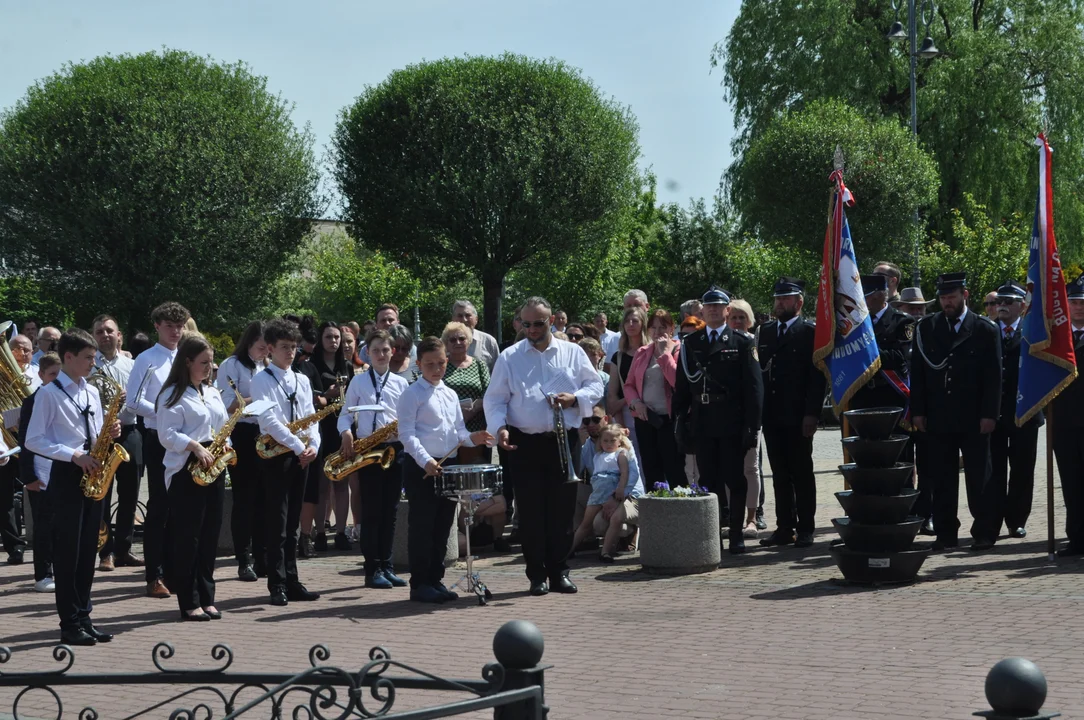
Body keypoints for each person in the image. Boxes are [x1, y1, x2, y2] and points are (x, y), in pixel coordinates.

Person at [484, 296, 605, 596]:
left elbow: (596, 386)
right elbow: (495, 399)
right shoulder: (510, 356)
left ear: (551, 321)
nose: (532, 329)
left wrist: (575, 399)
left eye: (539, 323)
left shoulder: (572, 352)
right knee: (531, 510)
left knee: (562, 511)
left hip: (562, 440)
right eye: (526, 324)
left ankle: (559, 571)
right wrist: (499, 428)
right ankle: (536, 573)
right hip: (524, 442)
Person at [25, 328, 121, 646]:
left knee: (87, 553)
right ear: (69, 357)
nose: (93, 364)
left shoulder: (90, 391)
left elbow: (94, 432)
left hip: (93, 473)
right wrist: (73, 455)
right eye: (88, 358)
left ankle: (85, 616)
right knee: (68, 552)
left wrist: (110, 433)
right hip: (66, 477)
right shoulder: (48, 394)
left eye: (94, 357)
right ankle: (69, 623)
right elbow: (34, 439)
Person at [910, 272, 1002, 551]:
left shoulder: (985, 329)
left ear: (965, 295)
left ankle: (984, 531)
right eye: (942, 298)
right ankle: (946, 532)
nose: (946, 302)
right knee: (942, 477)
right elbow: (919, 373)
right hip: (939, 415)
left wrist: (990, 414)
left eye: (951, 297)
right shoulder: (927, 328)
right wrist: (918, 411)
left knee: (979, 477)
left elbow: (994, 376)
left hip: (974, 416)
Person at [397, 336, 492, 604]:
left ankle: (435, 579)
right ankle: (419, 583)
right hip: (422, 467)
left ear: (446, 362)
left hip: (446, 466)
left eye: (440, 363)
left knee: (442, 525)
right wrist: (425, 459)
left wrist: (476, 438)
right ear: (419, 364)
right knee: (423, 526)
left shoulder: (450, 394)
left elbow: (458, 434)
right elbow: (407, 434)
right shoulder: (411, 394)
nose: (436, 369)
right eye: (430, 365)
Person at [673, 287, 763, 554]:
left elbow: (754, 389)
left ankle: (736, 534)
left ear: (727, 310)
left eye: (718, 306)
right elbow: (682, 386)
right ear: (702, 311)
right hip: (703, 421)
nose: (713, 309)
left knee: (735, 479)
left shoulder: (742, 342)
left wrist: (752, 426)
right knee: (708, 480)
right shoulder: (691, 343)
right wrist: (679, 420)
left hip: (732, 422)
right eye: (708, 306)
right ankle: (712, 535)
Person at [157, 334, 230, 621]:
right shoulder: (172, 393)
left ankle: (208, 597)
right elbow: (167, 434)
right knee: (189, 538)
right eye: (204, 362)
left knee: (210, 534)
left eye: (212, 362)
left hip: (213, 464)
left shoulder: (211, 391)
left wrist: (226, 445)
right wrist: (196, 446)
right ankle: (189, 600)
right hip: (187, 467)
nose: (210, 368)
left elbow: (223, 424)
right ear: (187, 362)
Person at [250, 318, 322, 606]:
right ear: (270, 349)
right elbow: (268, 421)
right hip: (277, 455)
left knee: (293, 523)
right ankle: (276, 584)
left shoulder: (302, 379)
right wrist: (296, 446)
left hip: (300, 456)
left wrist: (313, 445)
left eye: (293, 347)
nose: (290, 352)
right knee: (277, 523)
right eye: (284, 347)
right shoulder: (261, 380)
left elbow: (310, 417)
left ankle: (292, 580)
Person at [126, 301, 190, 598]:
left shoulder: (187, 357)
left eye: (179, 326)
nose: (175, 331)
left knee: (181, 507)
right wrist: (164, 413)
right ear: (157, 327)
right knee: (159, 507)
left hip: (185, 440)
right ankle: (154, 575)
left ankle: (177, 570)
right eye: (169, 326)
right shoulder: (147, 359)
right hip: (157, 438)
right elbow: (133, 402)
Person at [338, 329, 409, 589]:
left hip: (394, 448)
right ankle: (372, 569)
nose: (381, 354)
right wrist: (346, 432)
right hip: (369, 450)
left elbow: (407, 417)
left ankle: (387, 565)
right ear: (367, 352)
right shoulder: (358, 382)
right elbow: (346, 414)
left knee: (389, 512)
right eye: (376, 350)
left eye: (385, 350)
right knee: (371, 513)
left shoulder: (402, 383)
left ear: (393, 352)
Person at [757, 278, 825, 549]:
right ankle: (785, 527)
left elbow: (816, 378)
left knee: (801, 472)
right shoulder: (766, 332)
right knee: (780, 473)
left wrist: (812, 413)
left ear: (799, 302)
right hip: (773, 414)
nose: (779, 303)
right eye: (777, 299)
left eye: (785, 299)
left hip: (798, 415)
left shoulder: (810, 332)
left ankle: (806, 527)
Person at [215, 320, 270, 581]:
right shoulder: (231, 365)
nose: (265, 352)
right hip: (242, 434)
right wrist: (257, 400)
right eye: (261, 347)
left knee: (264, 500)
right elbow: (225, 404)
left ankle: (262, 557)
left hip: (265, 434)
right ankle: (243, 559)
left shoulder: (266, 365)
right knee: (244, 500)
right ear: (249, 342)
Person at [91, 314, 144, 572]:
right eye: (100, 332)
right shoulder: (89, 366)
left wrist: (130, 398)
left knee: (130, 493)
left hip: (129, 431)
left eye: (109, 330)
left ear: (119, 335)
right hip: (99, 436)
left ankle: (124, 549)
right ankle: (105, 552)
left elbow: (144, 396)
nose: (105, 335)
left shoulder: (130, 365)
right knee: (101, 495)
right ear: (94, 337)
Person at [990, 280, 1041, 540]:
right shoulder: (987, 331)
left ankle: (1017, 520)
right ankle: (992, 522)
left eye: (1008, 301)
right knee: (994, 471)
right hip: (993, 413)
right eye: (999, 301)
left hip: (1025, 411)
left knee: (1022, 470)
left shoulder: (1033, 332)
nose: (1002, 306)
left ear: (1023, 306)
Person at [304, 321, 352, 553]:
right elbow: (311, 400)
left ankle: (341, 532)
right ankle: (320, 532)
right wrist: (327, 394)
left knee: (341, 481)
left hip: (342, 428)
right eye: (328, 338)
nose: (333, 342)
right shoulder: (311, 367)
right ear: (320, 341)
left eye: (336, 338)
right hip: (320, 428)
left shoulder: (348, 367)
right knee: (323, 483)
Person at [623, 309, 684, 488]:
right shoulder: (642, 352)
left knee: (674, 470)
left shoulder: (679, 350)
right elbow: (629, 385)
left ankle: (678, 511)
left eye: (662, 327)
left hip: (670, 420)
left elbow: (678, 383)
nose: (657, 332)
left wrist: (665, 354)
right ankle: (654, 512)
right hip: (645, 418)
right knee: (651, 469)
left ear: (672, 328)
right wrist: (635, 403)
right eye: (653, 327)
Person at [16, 353, 62, 591]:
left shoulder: (66, 398)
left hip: (64, 470)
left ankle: (61, 569)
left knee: (62, 524)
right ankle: (43, 574)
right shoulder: (32, 401)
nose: (56, 379)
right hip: (41, 471)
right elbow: (24, 442)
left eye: (60, 374)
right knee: (44, 524)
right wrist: (29, 477)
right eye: (52, 374)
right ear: (41, 375)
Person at [571, 422, 642, 562]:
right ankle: (568, 550)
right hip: (598, 494)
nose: (609, 444)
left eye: (613, 441)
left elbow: (626, 474)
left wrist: (618, 493)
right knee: (586, 523)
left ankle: (606, 552)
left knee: (615, 519)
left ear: (619, 441)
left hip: (617, 494)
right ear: (600, 442)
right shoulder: (597, 455)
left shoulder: (622, 453)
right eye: (605, 441)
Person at [1051, 274, 1084, 557]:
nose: (1079, 307)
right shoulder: (1057, 341)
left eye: (1083, 302)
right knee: (1071, 483)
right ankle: (1076, 538)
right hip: (1063, 423)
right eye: (1073, 302)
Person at [726, 299, 764, 537]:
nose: (738, 322)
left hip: (749, 415)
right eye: (734, 317)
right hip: (726, 416)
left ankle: (752, 518)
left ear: (749, 320)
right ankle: (734, 518)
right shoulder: (722, 343)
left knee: (751, 467)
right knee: (730, 469)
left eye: (742, 317)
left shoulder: (753, 343)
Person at [442, 322, 491, 464]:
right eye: (452, 340)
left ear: (468, 341)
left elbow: (489, 394)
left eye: (462, 338)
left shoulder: (479, 365)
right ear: (446, 343)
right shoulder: (441, 365)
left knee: (472, 477)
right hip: (448, 429)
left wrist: (473, 409)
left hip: (475, 428)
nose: (458, 342)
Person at [606, 307, 648, 462]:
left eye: (635, 321)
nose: (630, 324)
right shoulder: (618, 356)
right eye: (627, 321)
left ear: (643, 324)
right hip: (626, 415)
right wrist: (621, 423)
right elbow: (612, 393)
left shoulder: (652, 352)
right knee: (631, 460)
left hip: (650, 412)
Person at [452, 300, 500, 372]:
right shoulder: (443, 343)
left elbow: (498, 372)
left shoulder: (489, 342)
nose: (464, 320)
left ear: (476, 319)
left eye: (468, 315)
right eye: (460, 316)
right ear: (453, 319)